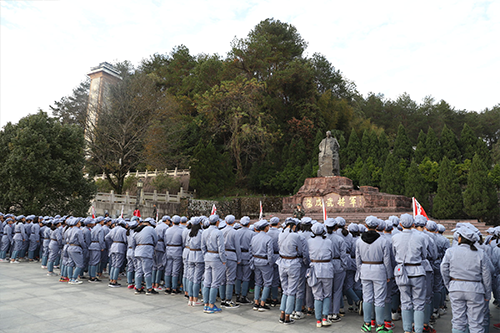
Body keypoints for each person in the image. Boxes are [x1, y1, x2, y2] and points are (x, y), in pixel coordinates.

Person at [441, 227, 491, 333]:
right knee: (476, 323)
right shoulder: (480, 253)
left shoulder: (450, 251)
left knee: (458, 321)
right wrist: (487, 294)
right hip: (475, 288)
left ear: (460, 239)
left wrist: (448, 285)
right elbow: (486, 276)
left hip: (456, 286)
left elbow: (444, 269)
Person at [356, 216, 392, 333]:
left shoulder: (359, 240)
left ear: (366, 226)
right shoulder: (383, 241)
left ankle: (367, 323)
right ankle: (380, 325)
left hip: (365, 269)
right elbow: (387, 260)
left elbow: (358, 259)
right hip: (379, 269)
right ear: (377, 226)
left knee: (367, 298)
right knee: (380, 299)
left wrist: (360, 270)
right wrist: (388, 274)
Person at [392, 214, 427, 333]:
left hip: (401, 271)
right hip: (417, 271)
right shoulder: (420, 237)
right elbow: (424, 255)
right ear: (413, 224)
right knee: (419, 303)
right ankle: (418, 329)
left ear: (400, 224)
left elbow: (394, 253)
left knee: (405, 301)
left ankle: (407, 330)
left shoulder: (395, 237)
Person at [307, 222, 334, 328]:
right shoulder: (328, 241)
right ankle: (325, 318)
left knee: (317, 295)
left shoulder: (309, 241)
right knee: (327, 294)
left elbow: (306, 255)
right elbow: (332, 254)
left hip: (314, 268)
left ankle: (318, 320)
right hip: (327, 268)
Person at [201, 214, 226, 314]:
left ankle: (206, 304)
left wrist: (205, 255)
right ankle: (211, 305)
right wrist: (223, 259)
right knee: (215, 283)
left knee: (207, 282)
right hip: (216, 257)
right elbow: (221, 248)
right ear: (217, 222)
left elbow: (202, 246)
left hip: (208, 256)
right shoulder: (218, 232)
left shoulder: (204, 232)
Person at [250, 220, 275, 312]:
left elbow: (250, 250)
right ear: (265, 228)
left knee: (258, 282)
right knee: (267, 283)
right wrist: (271, 263)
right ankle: (262, 303)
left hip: (255, 260)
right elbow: (270, 253)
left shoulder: (254, 237)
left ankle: (256, 302)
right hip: (265, 262)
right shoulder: (268, 238)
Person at [220, 214, 241, 308]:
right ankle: (228, 299)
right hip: (232, 255)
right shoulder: (234, 232)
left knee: (222, 278)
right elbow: (237, 246)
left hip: (222, 255)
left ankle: (222, 298)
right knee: (230, 278)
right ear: (234, 222)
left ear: (225, 222)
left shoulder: (221, 231)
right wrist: (239, 258)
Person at [133, 217, 158, 295]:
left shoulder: (138, 230)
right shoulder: (151, 229)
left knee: (139, 271)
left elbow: (133, 242)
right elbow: (155, 240)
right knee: (147, 271)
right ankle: (149, 288)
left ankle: (138, 287)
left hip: (138, 251)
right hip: (146, 251)